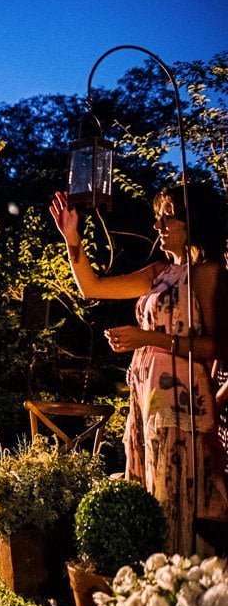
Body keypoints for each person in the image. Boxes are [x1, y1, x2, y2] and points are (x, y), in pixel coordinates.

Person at [50, 185, 228, 553]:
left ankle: (182, 579)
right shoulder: (161, 272)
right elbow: (92, 286)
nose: (158, 223)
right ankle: (151, 575)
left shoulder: (208, 273)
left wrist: (148, 339)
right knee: (147, 481)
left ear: (192, 222)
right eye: (158, 214)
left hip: (181, 403)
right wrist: (72, 239)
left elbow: (218, 347)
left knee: (174, 489)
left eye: (169, 215)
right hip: (146, 397)